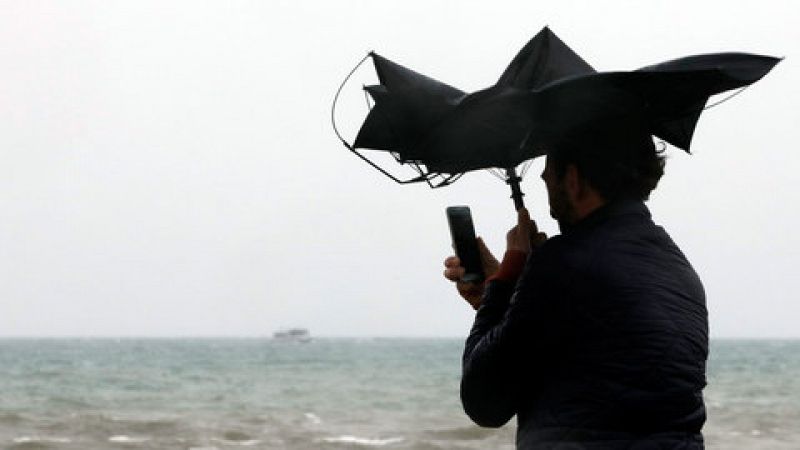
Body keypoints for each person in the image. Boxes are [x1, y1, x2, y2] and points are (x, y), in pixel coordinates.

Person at [443, 127, 708, 449]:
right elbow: (586, 351)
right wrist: (510, 292)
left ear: (572, 179)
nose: (545, 186)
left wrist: (509, 275)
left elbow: (483, 400)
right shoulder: (679, 269)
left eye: (548, 177)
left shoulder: (563, 261)